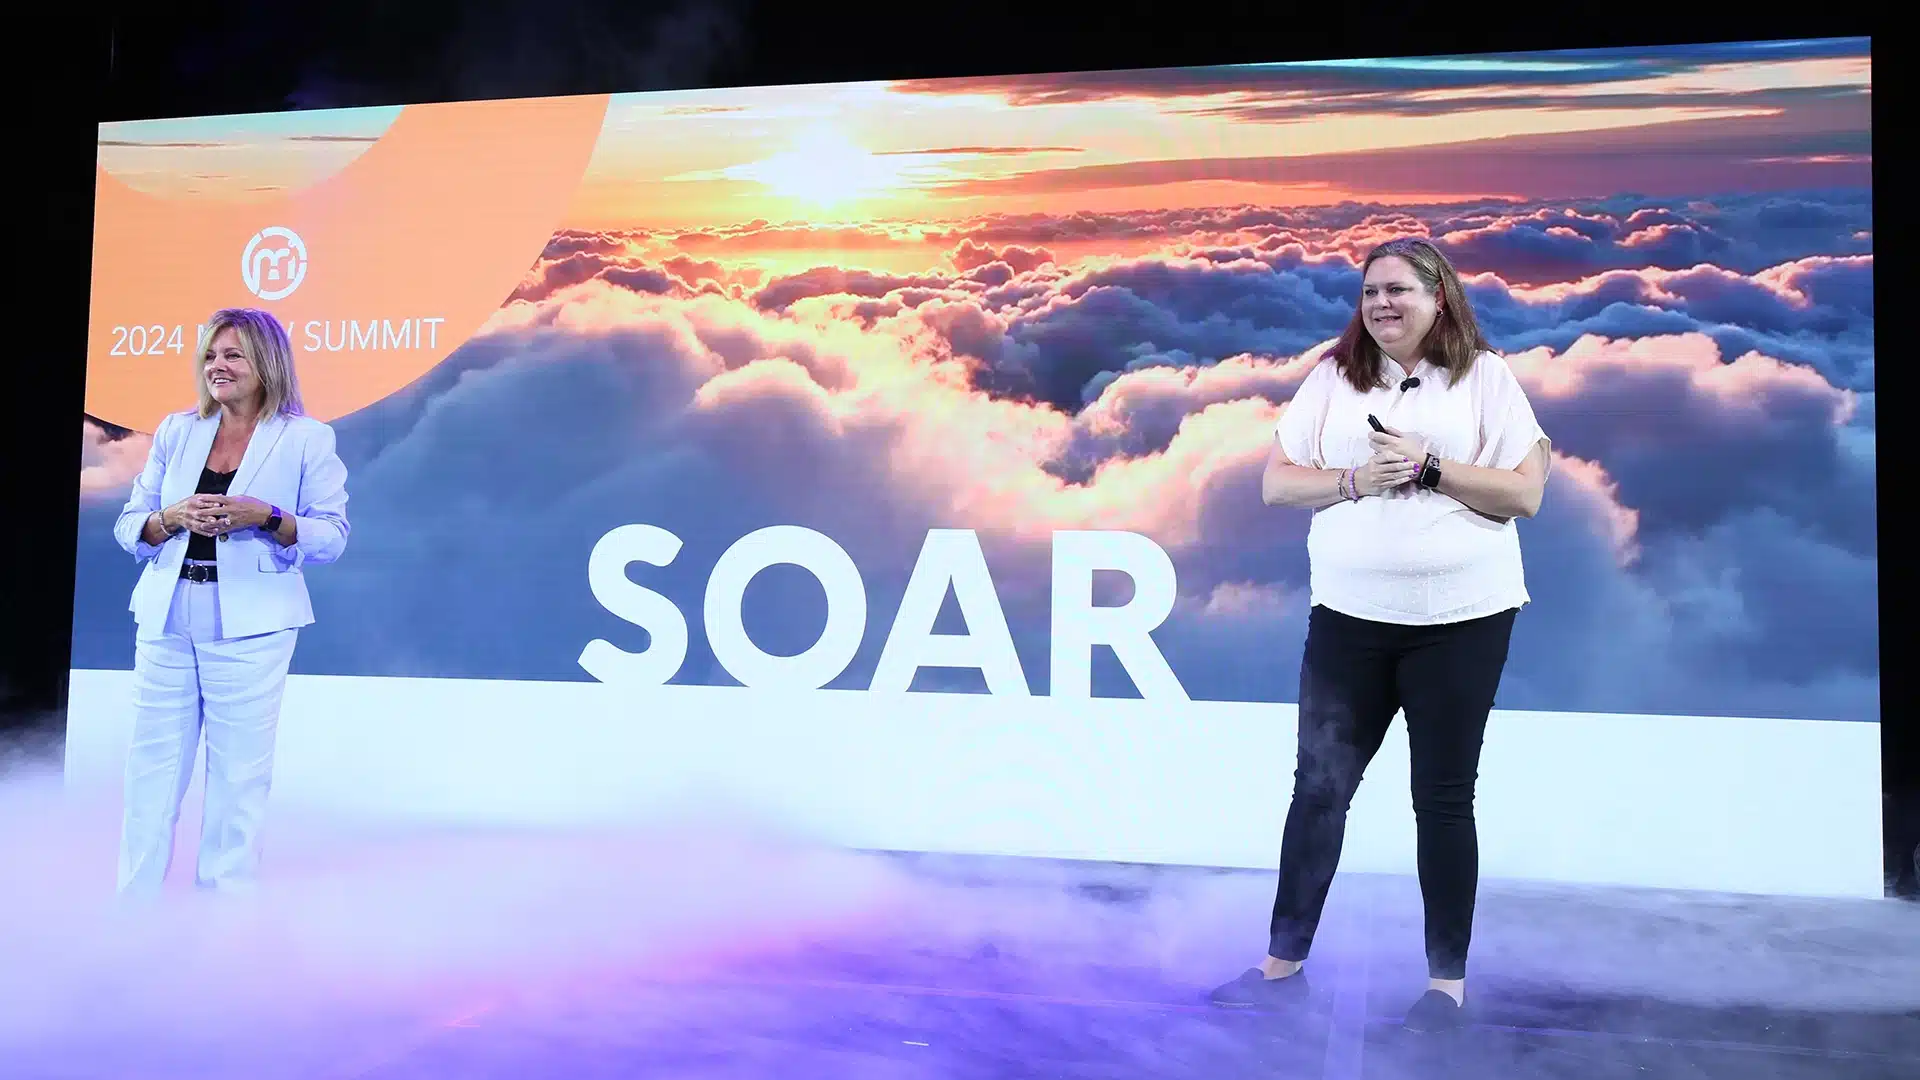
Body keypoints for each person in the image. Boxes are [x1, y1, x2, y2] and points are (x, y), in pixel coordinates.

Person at [1209, 238, 1551, 1032]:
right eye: (1371, 293)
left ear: (1440, 298)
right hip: (1349, 623)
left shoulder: (1485, 379)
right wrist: (1359, 480)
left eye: (1399, 290)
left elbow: (1525, 495)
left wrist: (1430, 469)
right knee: (1319, 791)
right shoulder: (1333, 379)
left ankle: (1445, 991)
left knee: (1441, 800)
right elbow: (1276, 483)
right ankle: (1280, 969)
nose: (1383, 305)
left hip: (1461, 625)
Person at [112, 307, 350, 894]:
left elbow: (331, 537)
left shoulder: (305, 440)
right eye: (211, 355)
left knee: (237, 776)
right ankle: (133, 912)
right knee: (152, 771)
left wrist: (267, 517)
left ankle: (221, 923)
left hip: (251, 627)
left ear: (266, 363)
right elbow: (128, 526)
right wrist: (168, 519)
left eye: (233, 354)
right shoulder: (177, 430)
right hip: (167, 616)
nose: (218, 366)